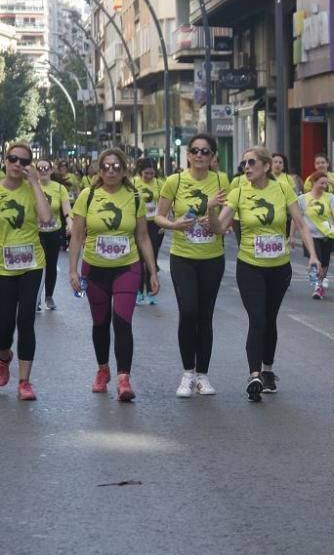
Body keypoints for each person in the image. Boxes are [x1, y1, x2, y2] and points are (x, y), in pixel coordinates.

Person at [211, 146, 319, 401]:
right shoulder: (237, 193)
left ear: (266, 166)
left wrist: (313, 255)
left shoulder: (282, 189)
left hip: (279, 266)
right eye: (244, 163)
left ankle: (268, 370)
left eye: (251, 162)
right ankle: (254, 374)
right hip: (249, 265)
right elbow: (219, 229)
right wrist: (210, 209)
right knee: (257, 318)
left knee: (269, 319)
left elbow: (301, 224)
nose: (246, 167)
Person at [69, 148, 159, 402]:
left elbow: (142, 236)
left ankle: (123, 378)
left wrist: (152, 271)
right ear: (99, 170)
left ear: (124, 170)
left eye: (116, 167)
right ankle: (102, 370)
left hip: (127, 267)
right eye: (106, 167)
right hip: (94, 268)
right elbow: (77, 235)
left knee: (122, 321)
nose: (111, 171)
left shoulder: (133, 196)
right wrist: (72, 270)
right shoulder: (88, 196)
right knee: (100, 322)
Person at [155, 135, 228, 398]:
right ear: (188, 155)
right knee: (189, 311)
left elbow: (223, 222)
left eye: (205, 151)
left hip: (211, 257)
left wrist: (212, 216)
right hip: (183, 256)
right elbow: (159, 217)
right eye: (195, 150)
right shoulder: (174, 181)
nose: (199, 155)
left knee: (205, 316)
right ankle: (187, 374)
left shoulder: (221, 180)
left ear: (212, 156)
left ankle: (203, 375)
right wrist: (174, 225)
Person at [0, 144, 53, 400]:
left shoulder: (33, 189)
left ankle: (24, 381)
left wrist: (35, 184)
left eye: (23, 161)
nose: (17, 164)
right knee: (4, 323)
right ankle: (4, 355)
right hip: (3, 266)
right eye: (13, 159)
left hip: (32, 264)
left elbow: (46, 219)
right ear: (5, 160)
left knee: (26, 321)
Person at [297, 172, 334, 299]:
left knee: (324, 262)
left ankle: (321, 282)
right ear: (313, 183)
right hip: (310, 235)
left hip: (327, 234)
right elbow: (296, 218)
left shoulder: (330, 197)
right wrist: (291, 235)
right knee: (315, 259)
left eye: (326, 183)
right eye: (321, 183)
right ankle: (317, 286)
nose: (324, 186)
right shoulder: (303, 199)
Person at [36, 158, 72, 311]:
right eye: (40, 168)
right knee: (36, 266)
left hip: (53, 232)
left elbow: (66, 208)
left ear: (51, 170)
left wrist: (70, 221)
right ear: (36, 171)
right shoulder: (31, 187)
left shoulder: (59, 188)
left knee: (51, 265)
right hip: (35, 233)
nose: (43, 171)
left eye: (46, 168)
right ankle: (36, 298)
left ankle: (49, 296)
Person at [133, 158, 163, 305]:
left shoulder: (159, 184)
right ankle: (138, 291)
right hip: (138, 223)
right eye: (146, 174)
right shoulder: (133, 183)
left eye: (152, 173)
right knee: (139, 258)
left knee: (152, 258)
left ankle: (151, 290)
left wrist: (164, 221)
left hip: (154, 224)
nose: (150, 176)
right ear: (140, 173)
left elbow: (166, 203)